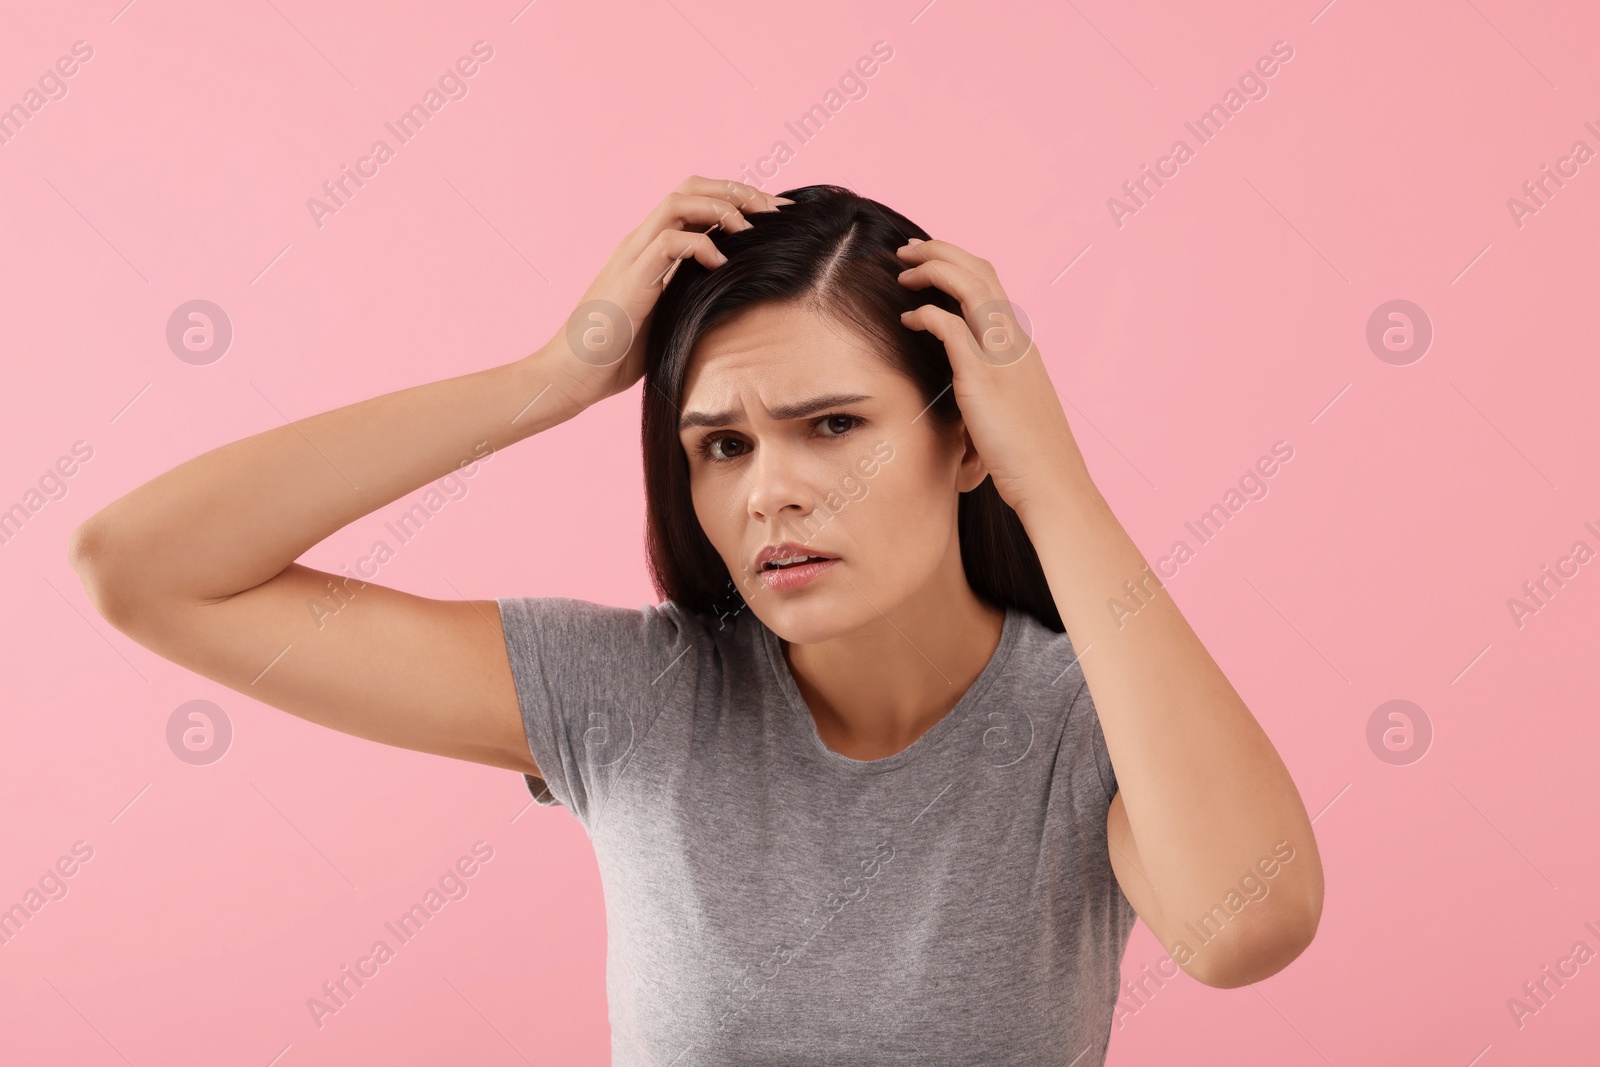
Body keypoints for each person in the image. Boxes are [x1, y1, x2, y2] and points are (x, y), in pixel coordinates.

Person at [69, 176, 1324, 1065]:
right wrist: (548, 377)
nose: (768, 486)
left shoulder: (1094, 722)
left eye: (832, 424)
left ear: (961, 439)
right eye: (719, 443)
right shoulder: (632, 697)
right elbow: (144, 568)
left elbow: (1246, 924)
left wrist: (1051, 474)